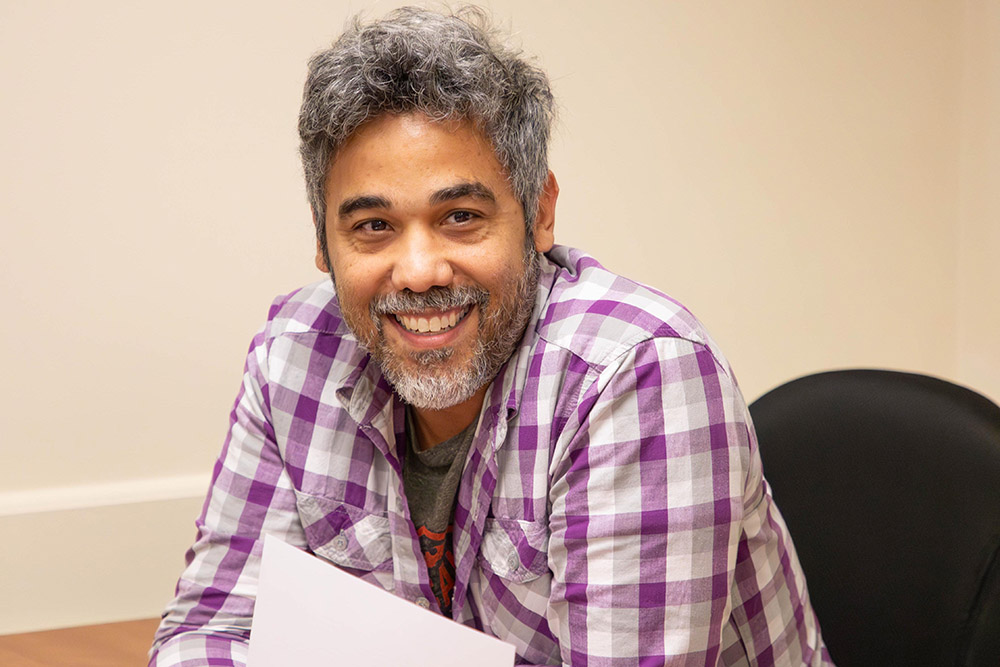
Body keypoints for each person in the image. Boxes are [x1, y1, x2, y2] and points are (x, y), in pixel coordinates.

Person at [150, 6, 831, 666]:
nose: (417, 272)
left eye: (461, 216)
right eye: (373, 227)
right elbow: (208, 630)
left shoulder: (638, 375)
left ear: (538, 213)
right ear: (323, 241)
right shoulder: (293, 354)